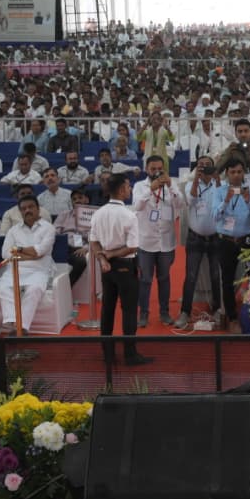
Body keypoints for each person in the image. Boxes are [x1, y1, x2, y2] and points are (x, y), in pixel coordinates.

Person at [90, 174, 153, 365]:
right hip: (124, 265)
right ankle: (130, 353)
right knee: (129, 310)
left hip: (107, 268)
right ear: (120, 190)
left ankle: (107, 353)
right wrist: (109, 255)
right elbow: (133, 247)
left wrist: (103, 258)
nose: (130, 189)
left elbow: (93, 242)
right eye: (128, 186)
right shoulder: (128, 215)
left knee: (107, 309)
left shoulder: (98, 213)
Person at [211, 157, 250, 331]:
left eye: (240, 172)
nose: (237, 175)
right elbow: (215, 216)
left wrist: (248, 201)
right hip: (226, 241)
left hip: (245, 240)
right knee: (227, 281)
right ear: (226, 174)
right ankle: (232, 318)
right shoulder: (218, 191)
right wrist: (225, 201)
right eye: (233, 172)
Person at [132, 156, 182, 327]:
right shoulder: (139, 186)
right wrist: (150, 190)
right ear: (147, 169)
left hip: (166, 242)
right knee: (145, 279)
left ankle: (165, 313)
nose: (156, 172)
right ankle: (143, 314)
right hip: (146, 242)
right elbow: (136, 207)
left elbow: (181, 204)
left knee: (164, 278)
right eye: (153, 169)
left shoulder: (171, 184)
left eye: (160, 168)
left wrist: (170, 186)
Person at [0, 195, 57, 334]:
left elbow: (41, 251)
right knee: (3, 285)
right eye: (23, 209)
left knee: (34, 289)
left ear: (38, 209)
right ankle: (12, 323)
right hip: (16, 269)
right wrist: (32, 254)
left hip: (39, 269)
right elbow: (6, 254)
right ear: (20, 212)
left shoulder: (48, 228)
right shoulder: (13, 230)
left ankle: (22, 327)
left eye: (30, 207)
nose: (27, 210)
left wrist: (19, 250)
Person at [177, 157, 223, 331]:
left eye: (208, 165)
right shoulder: (190, 184)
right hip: (195, 237)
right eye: (201, 165)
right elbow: (191, 200)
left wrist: (217, 179)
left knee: (215, 276)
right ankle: (185, 312)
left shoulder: (219, 184)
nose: (204, 168)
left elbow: (222, 201)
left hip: (215, 237)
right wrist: (196, 179)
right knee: (190, 276)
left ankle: (218, 309)